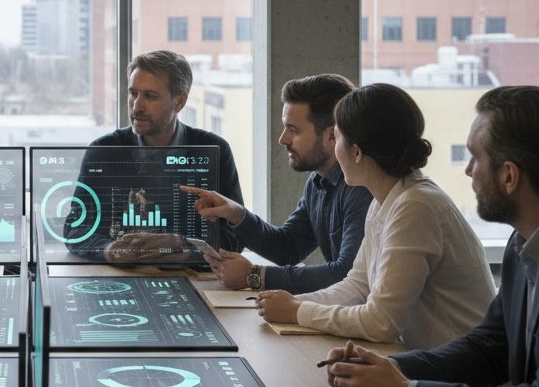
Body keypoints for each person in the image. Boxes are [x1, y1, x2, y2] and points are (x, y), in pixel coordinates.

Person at [325, 86, 539, 387]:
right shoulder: (521, 248)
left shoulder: (417, 203)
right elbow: (487, 348)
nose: (468, 170)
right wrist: (391, 368)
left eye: (475, 157)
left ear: (509, 176)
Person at [256, 83, 494, 349]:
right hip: (432, 364)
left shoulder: (416, 206)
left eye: (338, 138)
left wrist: (298, 311)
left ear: (356, 152)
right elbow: (357, 287)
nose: (334, 148)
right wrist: (295, 304)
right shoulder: (385, 200)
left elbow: (381, 322)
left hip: (460, 376)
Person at [186, 74, 370, 293]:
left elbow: (346, 275)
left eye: (293, 129)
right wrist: (237, 214)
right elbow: (288, 247)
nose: (283, 139)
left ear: (332, 136)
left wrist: (254, 276)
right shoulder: (318, 182)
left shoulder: (361, 187)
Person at [74, 49, 244, 264]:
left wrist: (183, 248)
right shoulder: (104, 151)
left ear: (179, 102)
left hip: (190, 278)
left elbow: (236, 237)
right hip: (118, 274)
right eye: (133, 93)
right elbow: (76, 229)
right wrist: (111, 250)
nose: (136, 106)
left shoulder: (213, 150)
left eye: (150, 96)